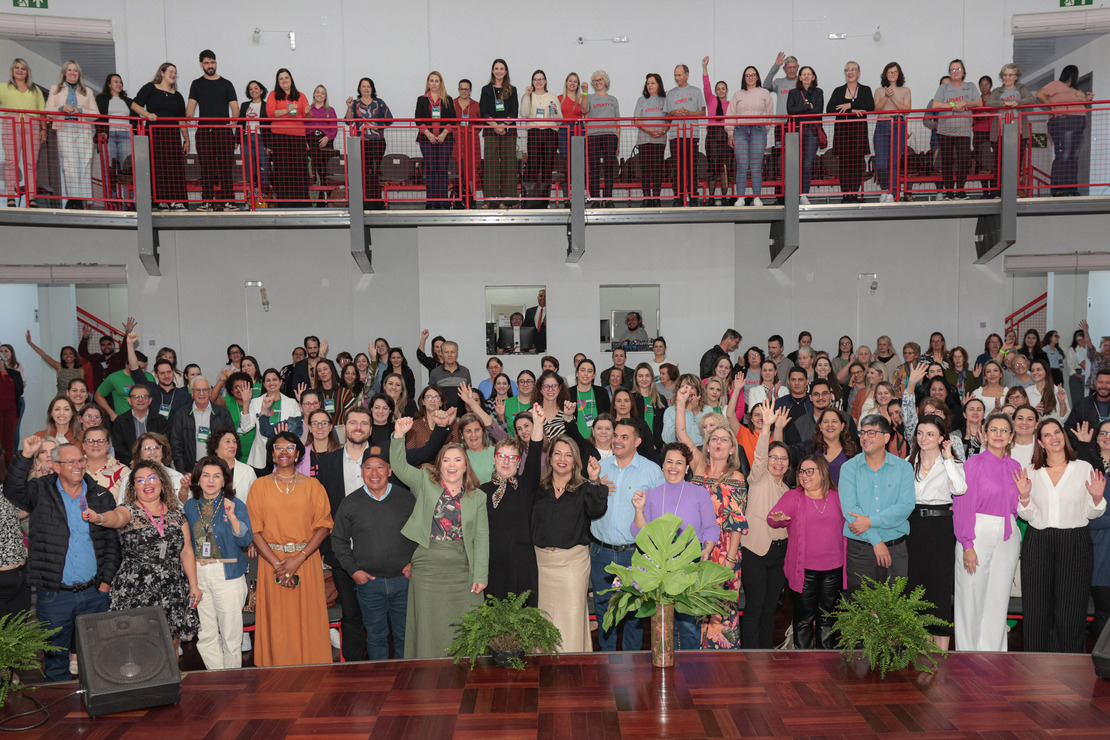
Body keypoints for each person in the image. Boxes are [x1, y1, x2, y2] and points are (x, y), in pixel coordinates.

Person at [4, 437, 119, 682]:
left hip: (94, 593)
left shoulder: (101, 495)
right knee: (56, 664)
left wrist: (106, 582)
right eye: (71, 461)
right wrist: (25, 456)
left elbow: (111, 544)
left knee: (98, 659)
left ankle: (97, 713)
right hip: (55, 595)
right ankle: (63, 717)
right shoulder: (39, 490)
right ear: (56, 466)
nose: (78, 465)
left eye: (81, 460)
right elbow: (12, 490)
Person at [389, 417, 489, 659]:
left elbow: (482, 538)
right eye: (446, 460)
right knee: (428, 623)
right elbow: (400, 467)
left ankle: (466, 673)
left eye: (458, 460)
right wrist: (399, 436)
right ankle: (427, 674)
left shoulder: (478, 497)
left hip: (463, 567)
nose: (452, 465)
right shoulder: (425, 481)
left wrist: (481, 575)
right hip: (427, 564)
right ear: (439, 465)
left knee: (466, 623)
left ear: (466, 466)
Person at [84, 461, 200, 647]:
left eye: (152, 478)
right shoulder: (128, 510)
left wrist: (193, 585)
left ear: (162, 482)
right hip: (136, 591)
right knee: (140, 648)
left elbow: (186, 551)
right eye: (140, 480)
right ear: (133, 487)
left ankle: (170, 677)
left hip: (173, 589)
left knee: (171, 647)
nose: (147, 484)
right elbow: (115, 518)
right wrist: (100, 518)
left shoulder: (177, 514)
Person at [1017, 418, 1106, 653]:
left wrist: (1097, 497)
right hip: (1038, 542)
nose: (1054, 437)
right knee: (1037, 609)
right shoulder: (1031, 472)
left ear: (1064, 436)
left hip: (1075, 542)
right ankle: (1035, 665)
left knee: (1071, 610)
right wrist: (1024, 496)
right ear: (1040, 442)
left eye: (1057, 432)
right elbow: (1027, 515)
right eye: (1047, 435)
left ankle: (1069, 670)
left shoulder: (1083, 468)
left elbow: (1092, 512)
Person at [247, 431, 333, 666]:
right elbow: (254, 530)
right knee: (278, 619)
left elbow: (324, 526)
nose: (284, 452)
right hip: (271, 562)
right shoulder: (259, 486)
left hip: (306, 561)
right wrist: (278, 565)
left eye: (289, 448)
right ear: (272, 455)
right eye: (278, 448)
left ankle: (312, 668)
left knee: (308, 616)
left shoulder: (313, 486)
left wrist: (299, 558)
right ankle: (277, 669)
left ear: (297, 454)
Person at [330, 447, 416, 660]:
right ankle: (382, 684)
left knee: (405, 635)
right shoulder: (350, 503)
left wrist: (415, 563)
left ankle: (405, 684)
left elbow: (422, 535)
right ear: (362, 471)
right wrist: (354, 571)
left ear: (389, 471)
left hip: (404, 581)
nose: (374, 472)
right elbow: (338, 540)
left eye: (380, 467)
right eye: (368, 467)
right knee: (376, 637)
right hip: (369, 584)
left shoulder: (406, 499)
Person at [632, 443, 720, 649]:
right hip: (659, 566)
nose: (673, 467)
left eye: (679, 462)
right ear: (662, 465)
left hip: (689, 564)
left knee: (688, 624)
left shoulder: (699, 494)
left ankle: (690, 672)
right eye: (669, 462)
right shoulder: (650, 494)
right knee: (662, 624)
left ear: (687, 467)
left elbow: (710, 528)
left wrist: (707, 549)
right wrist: (638, 510)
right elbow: (639, 533)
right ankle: (664, 666)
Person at [591, 419, 663, 651]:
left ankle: (633, 661)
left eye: (624, 437)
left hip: (634, 552)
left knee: (634, 610)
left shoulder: (652, 471)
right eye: (615, 435)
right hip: (600, 551)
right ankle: (606, 658)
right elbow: (588, 504)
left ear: (637, 441)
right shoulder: (600, 467)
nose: (617, 440)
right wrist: (594, 484)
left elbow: (660, 514)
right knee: (603, 608)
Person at [181, 456, 252, 669]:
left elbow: (246, 540)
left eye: (217, 476)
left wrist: (232, 517)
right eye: (206, 476)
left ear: (225, 481)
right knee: (206, 635)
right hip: (199, 574)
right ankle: (217, 677)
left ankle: (231, 681)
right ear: (198, 479)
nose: (211, 481)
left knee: (231, 637)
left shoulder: (235, 504)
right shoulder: (191, 506)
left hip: (227, 573)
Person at [768, 454, 845, 649]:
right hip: (805, 571)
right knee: (803, 619)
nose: (804, 475)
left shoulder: (837, 497)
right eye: (802, 471)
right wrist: (780, 518)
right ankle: (803, 662)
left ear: (823, 473)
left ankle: (826, 662)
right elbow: (773, 518)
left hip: (833, 569)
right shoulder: (794, 497)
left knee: (827, 618)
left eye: (810, 471)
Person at [904, 415, 965, 651]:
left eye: (930, 434)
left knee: (938, 587)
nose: (924, 438)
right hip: (912, 527)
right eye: (920, 433)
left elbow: (960, 489)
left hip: (940, 528)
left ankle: (940, 650)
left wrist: (948, 458)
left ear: (942, 438)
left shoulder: (953, 463)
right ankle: (914, 644)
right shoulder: (908, 463)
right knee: (913, 583)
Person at [839, 414, 915, 595]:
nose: (865, 437)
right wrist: (877, 541)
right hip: (861, 549)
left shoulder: (904, 468)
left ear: (886, 437)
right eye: (863, 433)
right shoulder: (849, 468)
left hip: (895, 547)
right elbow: (850, 510)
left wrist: (870, 522)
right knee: (861, 608)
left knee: (894, 607)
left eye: (872, 433)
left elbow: (905, 506)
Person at [741, 399, 791, 648]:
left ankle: (764, 653)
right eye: (774, 457)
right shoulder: (758, 478)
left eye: (783, 459)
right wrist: (767, 430)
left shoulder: (789, 490)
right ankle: (749, 654)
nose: (778, 462)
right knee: (754, 606)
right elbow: (761, 455)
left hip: (780, 554)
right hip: (756, 551)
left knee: (771, 607)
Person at [131, 63, 189, 210]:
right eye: (170, 71)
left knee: (174, 167)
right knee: (158, 166)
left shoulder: (178, 95)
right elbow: (134, 105)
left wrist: (187, 139)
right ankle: (161, 200)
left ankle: (176, 200)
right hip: (155, 134)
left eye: (175, 72)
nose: (173, 74)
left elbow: (181, 119)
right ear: (162, 73)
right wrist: (147, 115)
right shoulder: (150, 88)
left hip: (172, 135)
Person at [186, 50, 239, 211]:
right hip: (204, 132)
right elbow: (190, 107)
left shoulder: (226, 84)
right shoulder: (197, 84)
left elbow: (235, 108)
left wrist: (233, 121)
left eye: (213, 62)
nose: (210, 65)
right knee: (206, 167)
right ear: (201, 64)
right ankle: (207, 201)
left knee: (225, 167)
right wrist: (188, 116)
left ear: (216, 63)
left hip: (223, 132)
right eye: (207, 63)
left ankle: (228, 201)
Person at [44, 61, 96, 210]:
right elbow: (48, 111)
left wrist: (80, 111)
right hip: (65, 127)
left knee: (85, 164)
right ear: (64, 73)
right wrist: (61, 108)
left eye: (76, 71)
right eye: (69, 70)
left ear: (79, 74)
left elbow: (96, 114)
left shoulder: (88, 91)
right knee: (69, 165)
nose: (72, 73)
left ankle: (81, 200)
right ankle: (73, 198)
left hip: (83, 128)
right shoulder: (55, 89)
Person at [1036, 65, 1094, 197]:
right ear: (1072, 74)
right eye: (1077, 75)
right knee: (1064, 154)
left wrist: (1087, 99)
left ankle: (1071, 187)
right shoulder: (1057, 84)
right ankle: (1058, 188)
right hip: (1064, 121)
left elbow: (1081, 105)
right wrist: (1053, 109)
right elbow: (1040, 94)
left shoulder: (1076, 90)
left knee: (1073, 156)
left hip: (1078, 122)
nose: (1078, 77)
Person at [726, 67, 775, 207]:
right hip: (740, 131)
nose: (750, 77)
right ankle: (740, 197)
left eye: (753, 75)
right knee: (741, 165)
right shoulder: (738, 95)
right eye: (748, 75)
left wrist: (763, 129)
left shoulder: (764, 93)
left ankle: (757, 197)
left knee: (756, 166)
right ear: (744, 78)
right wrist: (730, 133)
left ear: (757, 77)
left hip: (758, 131)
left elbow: (769, 113)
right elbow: (730, 115)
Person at [826, 61, 874, 203]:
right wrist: (852, 110)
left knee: (857, 164)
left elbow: (870, 107)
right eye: (847, 70)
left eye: (853, 70)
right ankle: (846, 195)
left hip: (859, 132)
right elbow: (830, 109)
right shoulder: (838, 90)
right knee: (845, 165)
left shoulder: (866, 90)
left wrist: (850, 104)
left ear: (859, 73)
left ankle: (854, 194)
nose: (850, 72)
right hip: (843, 132)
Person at [930, 59, 978, 199]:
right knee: (947, 161)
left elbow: (978, 102)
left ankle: (961, 191)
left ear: (963, 71)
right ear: (949, 72)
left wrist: (965, 103)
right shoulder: (944, 88)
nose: (955, 72)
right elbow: (935, 104)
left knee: (964, 160)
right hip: (945, 131)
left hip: (963, 131)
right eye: (952, 70)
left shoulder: (971, 86)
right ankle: (949, 192)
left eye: (958, 69)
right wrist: (953, 106)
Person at [0, 58, 45, 208]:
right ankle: (11, 197)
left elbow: (42, 111)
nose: (19, 70)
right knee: (11, 162)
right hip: (10, 124)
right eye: (16, 68)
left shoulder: (35, 89)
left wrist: (44, 129)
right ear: (12, 70)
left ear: (27, 72)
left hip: (32, 125)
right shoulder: (4, 87)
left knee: (31, 163)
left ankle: (31, 197)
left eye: (23, 68)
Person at [265, 68, 311, 206]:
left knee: (300, 168)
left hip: (298, 136)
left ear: (291, 79)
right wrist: (287, 110)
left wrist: (308, 112)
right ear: (278, 82)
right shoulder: (273, 95)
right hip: (280, 136)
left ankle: (301, 202)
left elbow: (307, 117)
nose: (284, 81)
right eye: (281, 78)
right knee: (282, 168)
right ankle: (284, 202)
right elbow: (270, 113)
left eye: (286, 78)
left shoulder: (301, 95)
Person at [346, 77, 393, 210]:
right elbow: (348, 121)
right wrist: (349, 107)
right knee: (363, 172)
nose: (366, 88)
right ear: (359, 89)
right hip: (360, 143)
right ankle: (363, 202)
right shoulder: (354, 104)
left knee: (375, 171)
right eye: (363, 86)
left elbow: (389, 119)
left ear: (372, 88)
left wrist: (377, 126)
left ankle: (376, 202)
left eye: (368, 86)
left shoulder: (380, 103)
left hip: (377, 142)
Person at [170, 376, 233, 473]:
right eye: (197, 390)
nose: (201, 393)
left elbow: (231, 442)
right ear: (191, 391)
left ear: (210, 391)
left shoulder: (223, 413)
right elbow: (176, 444)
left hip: (218, 467)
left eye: (205, 390)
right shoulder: (181, 414)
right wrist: (182, 471)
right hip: (191, 469)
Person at [665, 64, 706, 206]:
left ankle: (693, 197)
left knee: (691, 167)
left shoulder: (696, 91)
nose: (677, 78)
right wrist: (673, 113)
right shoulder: (670, 93)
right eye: (675, 75)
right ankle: (678, 197)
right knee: (677, 168)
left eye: (680, 75)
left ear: (687, 75)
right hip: (675, 136)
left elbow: (703, 112)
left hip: (691, 135)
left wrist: (690, 114)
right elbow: (666, 116)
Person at [480, 59, 519, 208]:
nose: (499, 71)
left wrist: (503, 125)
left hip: (508, 132)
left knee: (509, 165)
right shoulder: (486, 90)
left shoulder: (512, 89)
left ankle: (509, 200)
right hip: (491, 132)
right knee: (491, 165)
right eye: (496, 68)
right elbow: (484, 111)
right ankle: (490, 200)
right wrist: (496, 125)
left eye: (501, 68)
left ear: (506, 71)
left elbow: (514, 111)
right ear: (492, 71)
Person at [415, 71, 454, 210]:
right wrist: (428, 134)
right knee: (431, 170)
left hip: (446, 140)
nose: (434, 83)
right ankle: (431, 202)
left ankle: (443, 202)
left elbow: (453, 120)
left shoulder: (448, 100)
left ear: (440, 83)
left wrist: (443, 133)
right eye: (431, 80)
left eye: (436, 81)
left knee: (442, 170)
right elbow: (418, 120)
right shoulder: (421, 100)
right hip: (427, 140)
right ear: (428, 83)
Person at [873, 62, 911, 202]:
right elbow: (876, 109)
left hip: (898, 124)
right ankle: (885, 189)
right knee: (882, 162)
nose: (893, 74)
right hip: (882, 124)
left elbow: (906, 110)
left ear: (899, 74)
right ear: (885, 74)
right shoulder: (879, 90)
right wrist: (886, 96)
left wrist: (894, 99)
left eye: (895, 72)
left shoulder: (905, 90)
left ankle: (893, 192)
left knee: (894, 161)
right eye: (890, 72)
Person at [520, 69, 559, 208]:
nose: (538, 81)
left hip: (550, 133)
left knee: (547, 167)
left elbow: (559, 119)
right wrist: (526, 95)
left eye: (541, 79)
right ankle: (532, 200)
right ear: (532, 82)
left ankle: (545, 201)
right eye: (536, 79)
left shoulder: (553, 96)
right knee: (533, 166)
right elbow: (524, 113)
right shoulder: (528, 96)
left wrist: (554, 110)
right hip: (534, 132)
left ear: (546, 81)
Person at [787, 66, 823, 205]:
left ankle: (803, 193)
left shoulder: (819, 92)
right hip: (795, 132)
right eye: (804, 74)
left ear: (813, 77)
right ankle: (792, 194)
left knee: (807, 164)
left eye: (809, 74)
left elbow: (819, 110)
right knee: (794, 164)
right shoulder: (793, 93)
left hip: (812, 132)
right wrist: (809, 107)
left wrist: (802, 110)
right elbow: (791, 111)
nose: (807, 77)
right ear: (800, 77)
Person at [701, 57, 734, 206]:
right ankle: (712, 197)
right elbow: (706, 85)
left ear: (727, 90)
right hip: (713, 136)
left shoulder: (731, 104)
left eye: (723, 88)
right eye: (718, 88)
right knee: (713, 167)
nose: (721, 90)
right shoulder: (711, 100)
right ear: (715, 91)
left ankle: (725, 197)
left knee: (724, 167)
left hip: (725, 136)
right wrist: (704, 67)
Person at [584, 70, 620, 207]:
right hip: (593, 135)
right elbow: (585, 116)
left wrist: (618, 143)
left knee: (609, 167)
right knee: (593, 167)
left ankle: (608, 198)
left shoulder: (613, 99)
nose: (598, 82)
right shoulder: (589, 98)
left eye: (600, 80)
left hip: (610, 135)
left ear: (605, 81)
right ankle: (595, 199)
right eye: (595, 80)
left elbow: (617, 122)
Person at [110, 383, 168, 466]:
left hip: (155, 463)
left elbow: (164, 443)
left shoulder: (159, 420)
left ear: (150, 400)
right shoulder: (120, 421)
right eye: (136, 397)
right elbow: (118, 446)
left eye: (144, 397)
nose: (140, 400)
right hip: (130, 464)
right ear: (129, 400)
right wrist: (132, 461)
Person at [634, 73, 669, 209]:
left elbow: (668, 119)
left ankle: (656, 198)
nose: (650, 85)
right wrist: (648, 130)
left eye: (653, 83)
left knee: (657, 170)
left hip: (659, 140)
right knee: (646, 170)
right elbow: (637, 120)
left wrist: (663, 130)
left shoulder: (665, 100)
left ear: (658, 84)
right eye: (648, 83)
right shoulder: (641, 100)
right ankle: (647, 198)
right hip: (644, 140)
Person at [452, 79, 481, 208]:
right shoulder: (451, 104)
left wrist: (471, 133)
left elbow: (480, 124)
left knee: (470, 171)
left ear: (470, 90)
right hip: (455, 142)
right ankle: (458, 200)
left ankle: (471, 199)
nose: (464, 91)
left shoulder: (476, 105)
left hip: (471, 143)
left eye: (467, 89)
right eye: (462, 88)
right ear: (458, 89)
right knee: (457, 170)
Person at [240, 80, 270, 200]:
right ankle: (250, 195)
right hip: (246, 138)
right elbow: (240, 122)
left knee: (263, 166)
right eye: (251, 89)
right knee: (248, 168)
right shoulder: (244, 105)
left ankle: (263, 194)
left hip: (261, 138)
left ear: (261, 91)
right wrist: (237, 140)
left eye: (256, 88)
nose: (253, 91)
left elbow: (270, 126)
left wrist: (270, 145)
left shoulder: (267, 105)